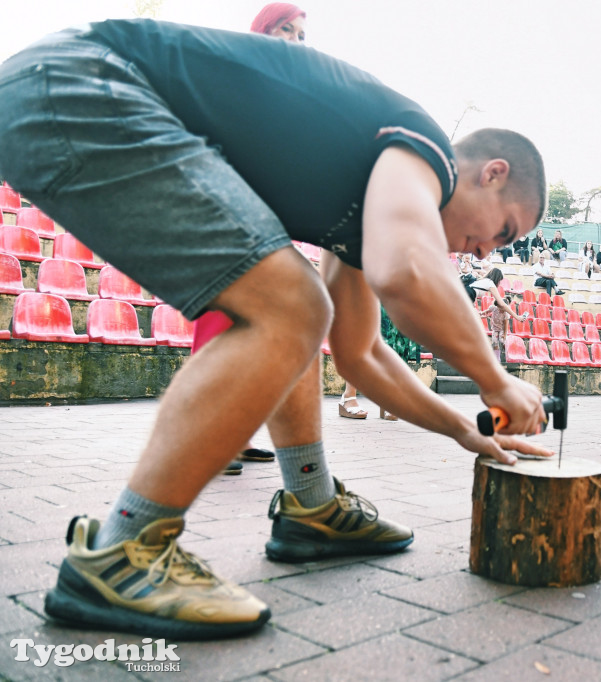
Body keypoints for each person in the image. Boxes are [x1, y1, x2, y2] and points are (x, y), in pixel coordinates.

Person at [0, 19, 554, 638]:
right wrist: (496, 381)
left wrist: (462, 429)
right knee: (291, 305)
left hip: (58, 92)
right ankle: (121, 552)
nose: (486, 255)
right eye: (503, 230)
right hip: (82, 81)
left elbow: (360, 355)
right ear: (492, 173)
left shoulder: (371, 213)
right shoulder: (421, 146)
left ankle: (310, 508)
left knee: (297, 307)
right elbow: (407, 273)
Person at [192, 2, 313, 475]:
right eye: (287, 30)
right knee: (218, 325)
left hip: (261, 219)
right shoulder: (238, 74)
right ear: (263, 30)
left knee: (248, 326)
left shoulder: (288, 90)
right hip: (222, 214)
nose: (296, 42)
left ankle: (234, 436)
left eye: (302, 36)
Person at [482, 293, 526, 362]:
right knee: (495, 342)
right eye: (499, 307)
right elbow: (488, 310)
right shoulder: (494, 308)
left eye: (502, 308)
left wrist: (505, 335)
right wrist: (482, 313)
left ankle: (506, 352)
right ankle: (497, 358)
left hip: (502, 329)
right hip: (495, 329)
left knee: (502, 340)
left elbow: (506, 325)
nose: (500, 309)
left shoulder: (505, 313)